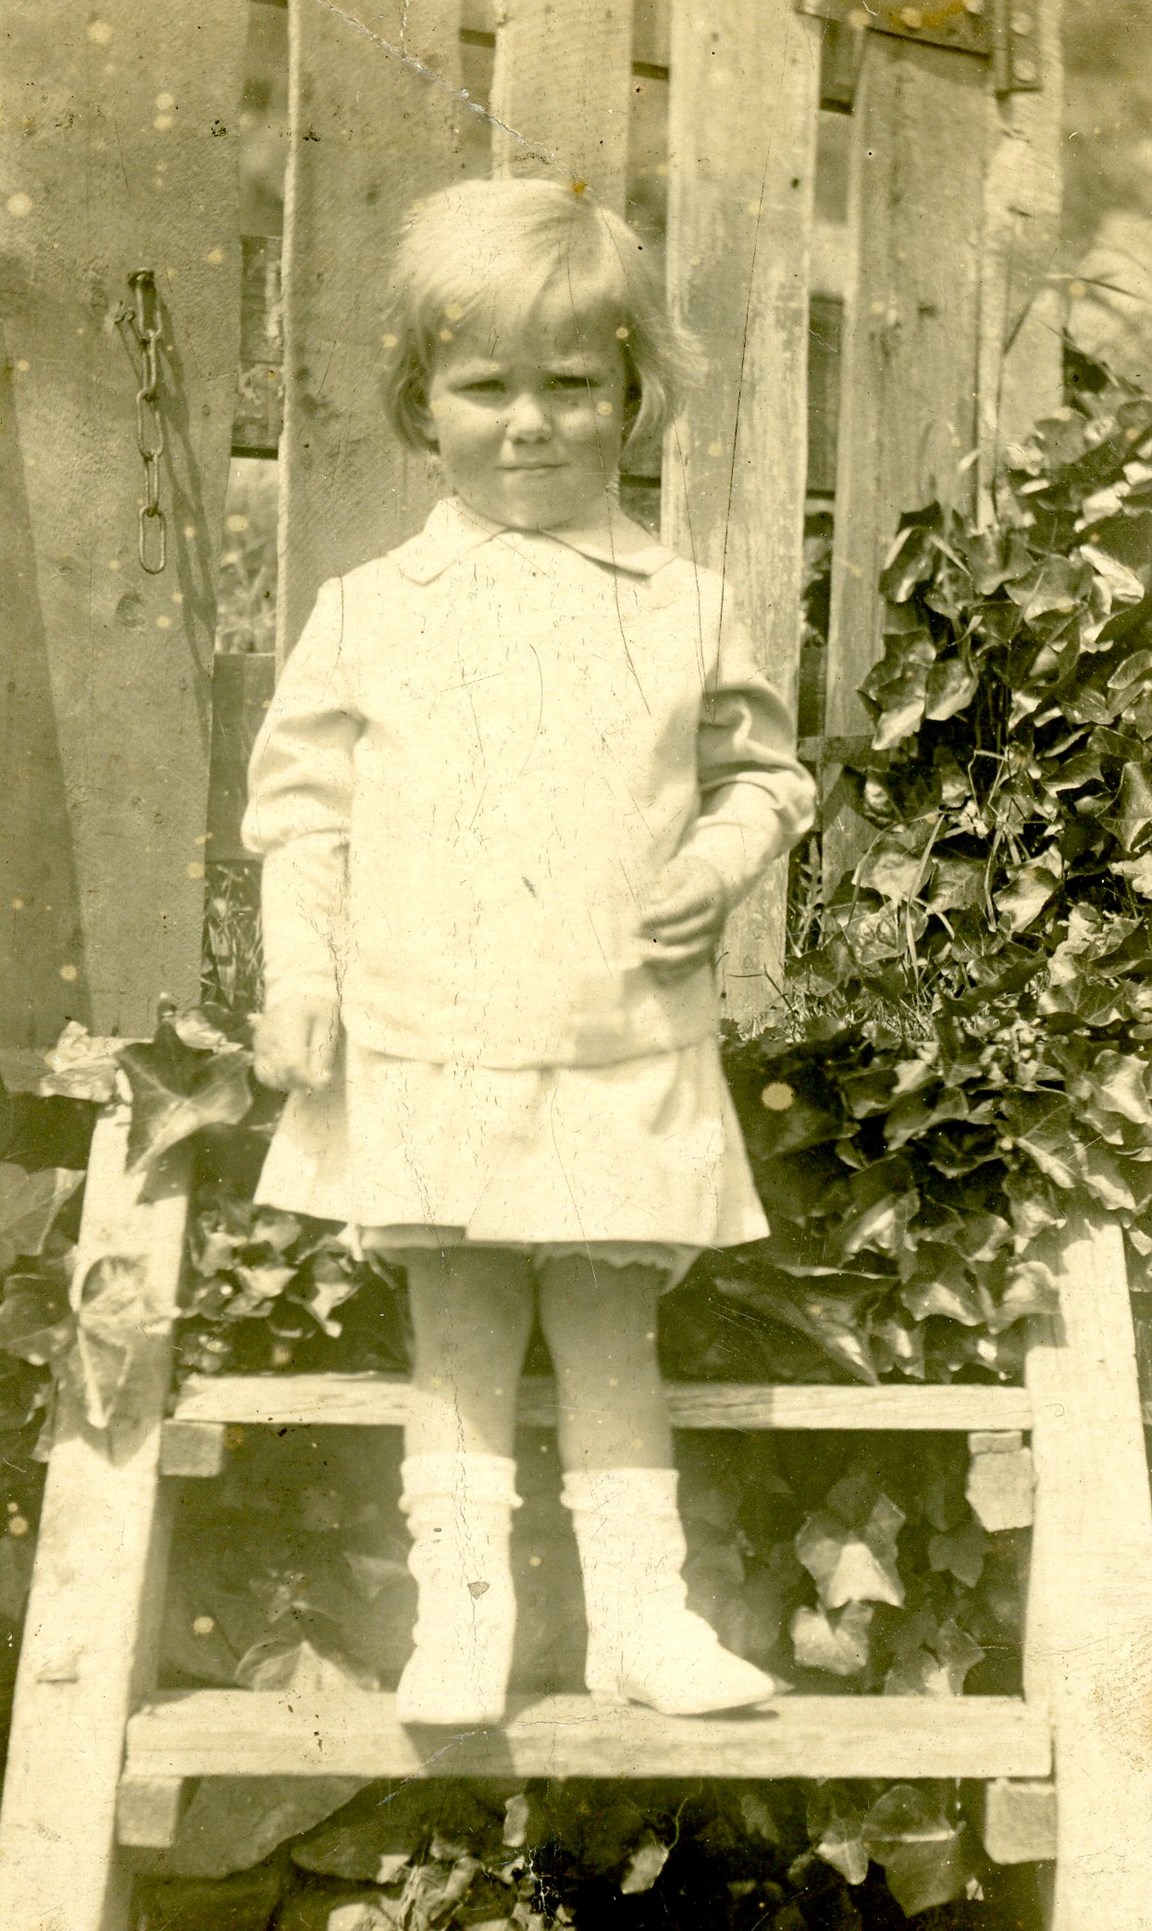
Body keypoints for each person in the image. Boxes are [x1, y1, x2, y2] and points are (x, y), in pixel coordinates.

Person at [242, 177, 816, 1728]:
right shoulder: (375, 611)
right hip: (432, 1035)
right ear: (419, 400)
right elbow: (303, 820)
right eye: (485, 386)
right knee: (461, 1325)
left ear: (636, 397)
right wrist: (302, 987)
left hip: (616, 1032)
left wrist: (717, 858)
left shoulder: (681, 608)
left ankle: (641, 1619)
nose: (532, 424)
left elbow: (770, 773)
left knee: (611, 1322)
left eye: (575, 386)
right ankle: (466, 1620)